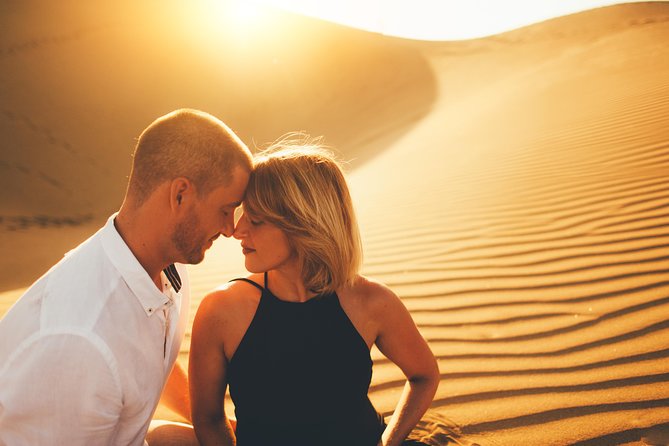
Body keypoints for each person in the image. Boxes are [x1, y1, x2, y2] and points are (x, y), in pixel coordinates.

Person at [0, 109, 253, 445]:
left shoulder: (166, 266)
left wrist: (212, 421)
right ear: (180, 195)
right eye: (225, 210)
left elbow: (145, 360)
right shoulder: (82, 344)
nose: (229, 228)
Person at [189, 139, 440, 446]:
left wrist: (389, 442)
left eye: (255, 219)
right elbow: (208, 418)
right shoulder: (222, 311)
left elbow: (425, 375)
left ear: (303, 224)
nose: (238, 231)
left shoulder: (371, 302)